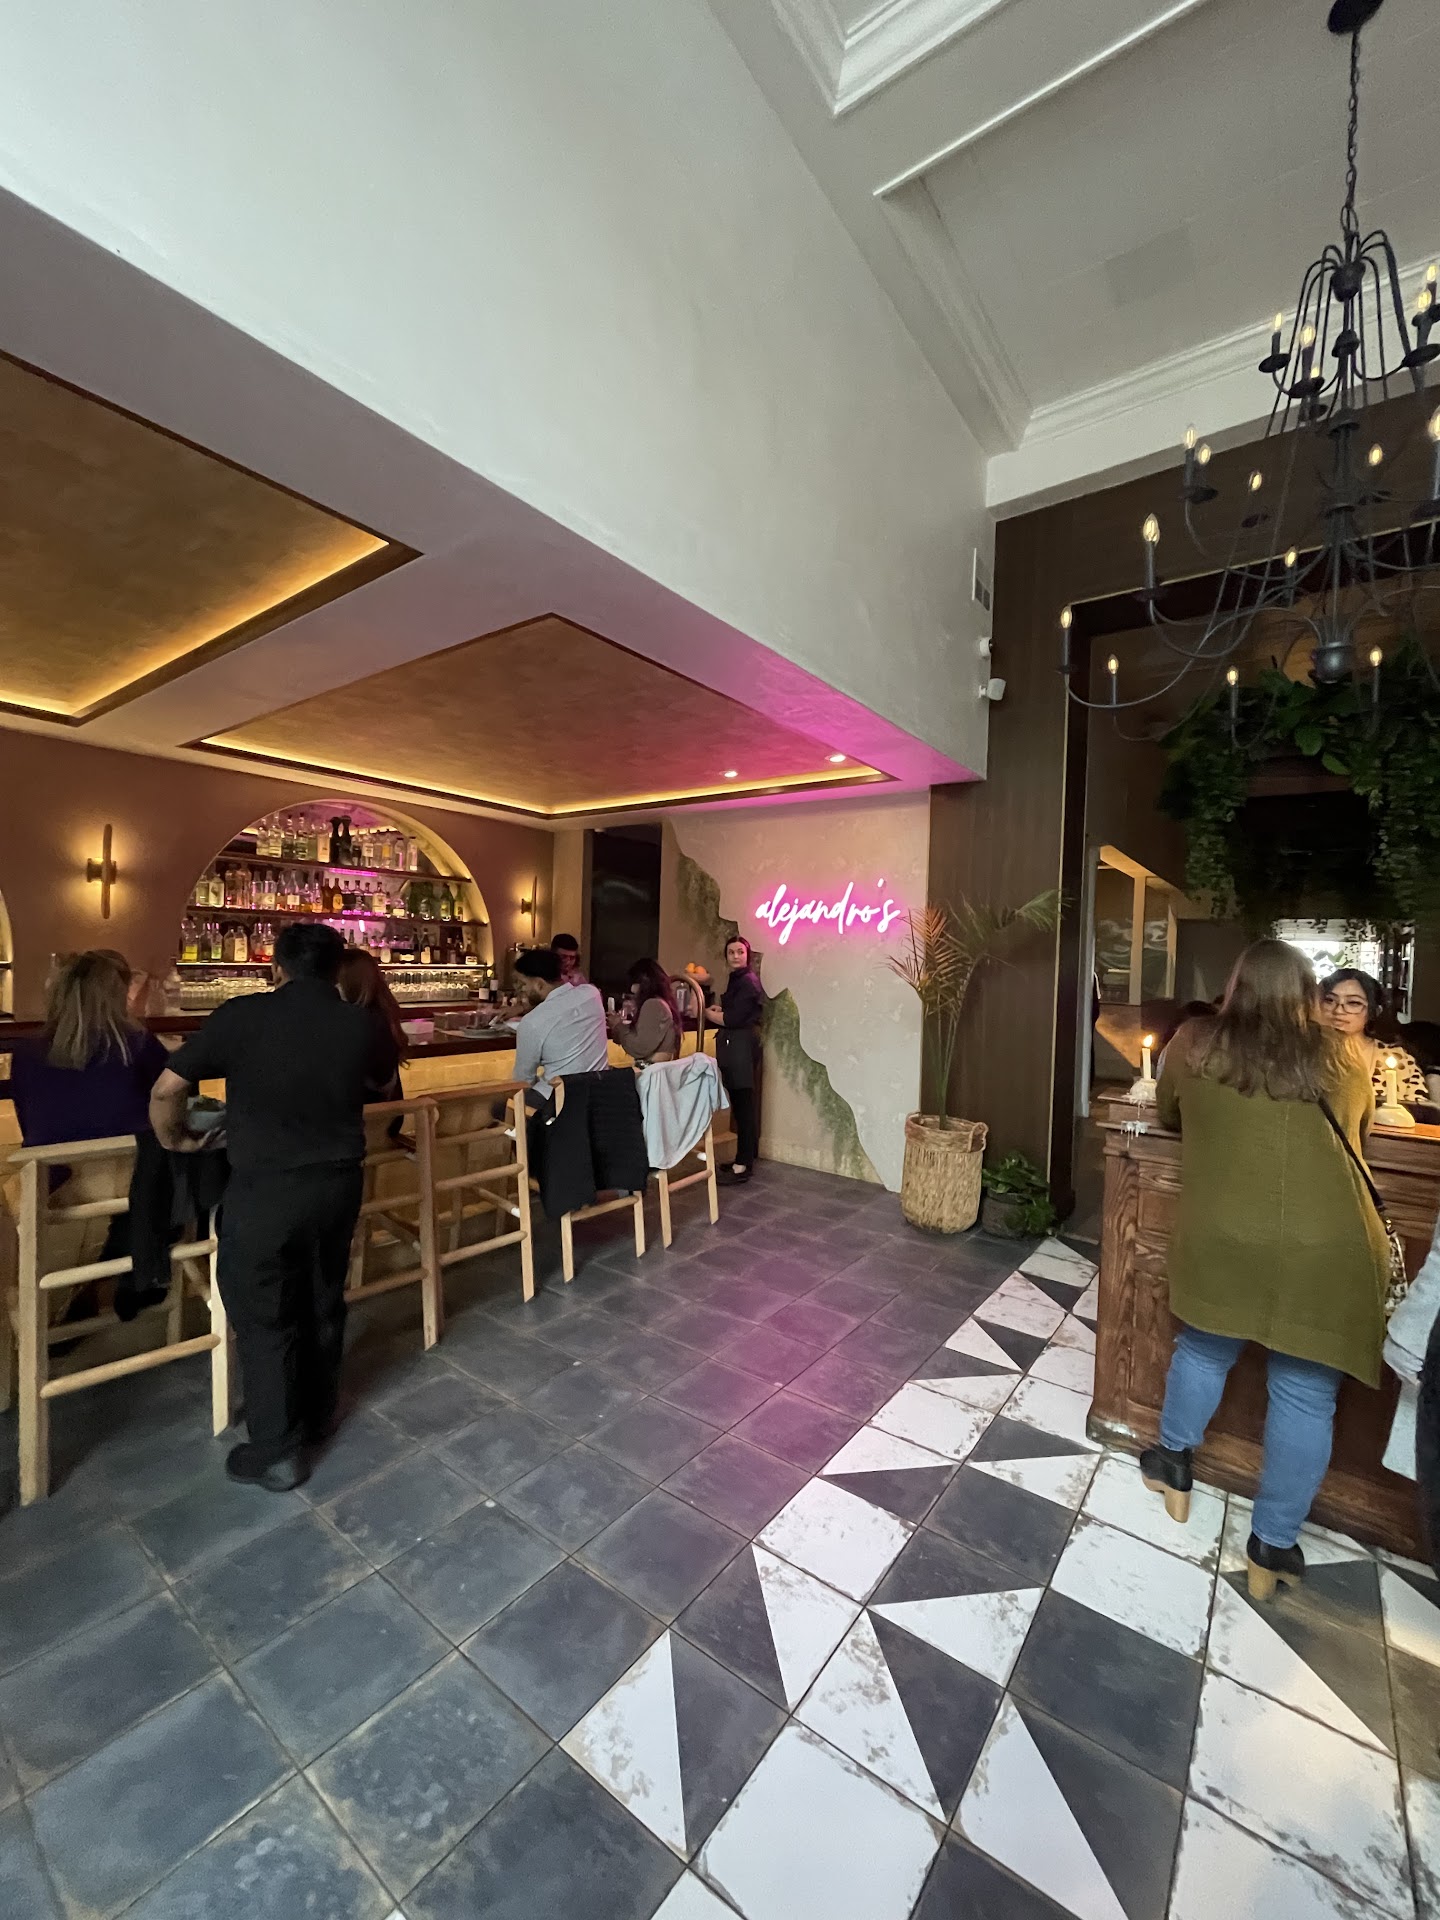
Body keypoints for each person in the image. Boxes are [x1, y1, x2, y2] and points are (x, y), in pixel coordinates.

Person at [1139, 940, 1388, 1600]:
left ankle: (1172, 1465)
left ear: (1237, 983)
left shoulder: (1195, 1043)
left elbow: (1169, 1111)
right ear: (1309, 994)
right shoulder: (1343, 1055)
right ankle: (1272, 1546)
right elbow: (1360, 1130)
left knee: (1202, 1350)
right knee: (1305, 1394)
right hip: (1328, 1246)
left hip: (1225, 1235)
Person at [149, 922, 388, 1492]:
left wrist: (177, 1140)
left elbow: (166, 1089)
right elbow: (380, 1084)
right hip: (338, 1183)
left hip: (266, 1188)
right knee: (323, 1296)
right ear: (336, 969)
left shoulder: (242, 1015)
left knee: (262, 1310)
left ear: (276, 967)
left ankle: (279, 1448)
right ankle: (317, 1417)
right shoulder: (361, 1022)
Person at [10, 950, 169, 1149]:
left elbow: (29, 1123)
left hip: (51, 1166)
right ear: (118, 995)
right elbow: (175, 1102)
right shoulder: (138, 1045)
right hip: (131, 1163)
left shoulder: (26, 1052)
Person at [1319, 968, 1429, 1107]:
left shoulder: (1398, 1059)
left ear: (1374, 1011)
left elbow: (1420, 1113)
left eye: (1353, 1003)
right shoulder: (1303, 1054)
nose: (1338, 1010)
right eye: (1329, 1000)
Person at [512, 947, 609, 1096]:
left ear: (539, 984)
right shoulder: (592, 994)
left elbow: (523, 1081)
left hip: (560, 1101)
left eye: (522, 983)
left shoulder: (532, 1022)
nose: (520, 990)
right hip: (602, 1096)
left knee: (499, 1105)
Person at [706, 936, 764, 1182]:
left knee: (743, 1106)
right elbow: (735, 1013)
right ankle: (743, 1159)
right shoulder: (740, 980)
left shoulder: (747, 982)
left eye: (740, 951)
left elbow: (733, 1019)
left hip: (741, 1046)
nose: (736, 956)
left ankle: (743, 1164)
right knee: (741, 1107)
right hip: (739, 1045)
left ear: (747, 955)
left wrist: (706, 1012)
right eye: (731, 952)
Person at [337, 947, 406, 1102]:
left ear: (348, 983)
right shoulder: (382, 1014)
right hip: (388, 1111)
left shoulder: (363, 1022)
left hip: (371, 1113)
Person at [610, 958, 681, 1064]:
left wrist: (618, 1026)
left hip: (652, 1070)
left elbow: (640, 1047)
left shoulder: (653, 1004)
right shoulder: (659, 1003)